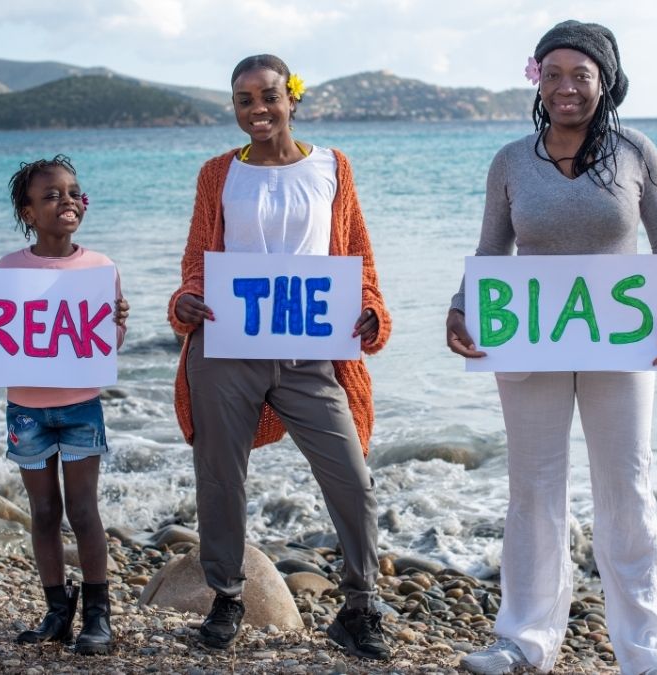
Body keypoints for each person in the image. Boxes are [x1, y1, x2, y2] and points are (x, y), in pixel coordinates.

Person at [446, 20, 657, 675]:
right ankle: (524, 637)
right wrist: (459, 307)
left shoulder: (636, 151)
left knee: (627, 487)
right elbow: (491, 250)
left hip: (623, 336)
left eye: (580, 75)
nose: (565, 88)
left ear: (604, 82)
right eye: (552, 74)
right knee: (532, 486)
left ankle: (649, 651)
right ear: (537, 79)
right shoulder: (509, 160)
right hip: (527, 335)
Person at [168, 54, 392, 660]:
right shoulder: (218, 173)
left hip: (310, 351)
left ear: (292, 98)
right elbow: (197, 260)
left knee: (351, 476)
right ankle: (227, 597)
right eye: (244, 100)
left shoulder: (332, 168)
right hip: (226, 346)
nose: (258, 109)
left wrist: (369, 309)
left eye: (269, 95)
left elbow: (358, 259)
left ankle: (359, 605)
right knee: (220, 477)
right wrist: (187, 299)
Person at [0, 155, 129, 656]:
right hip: (27, 412)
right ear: (28, 211)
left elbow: (105, 345)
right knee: (41, 512)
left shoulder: (101, 267)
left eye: (74, 192)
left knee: (83, 511)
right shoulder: (9, 268)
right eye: (52, 195)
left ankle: (98, 617)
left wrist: (118, 320)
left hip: (81, 407)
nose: (67, 201)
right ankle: (58, 609)